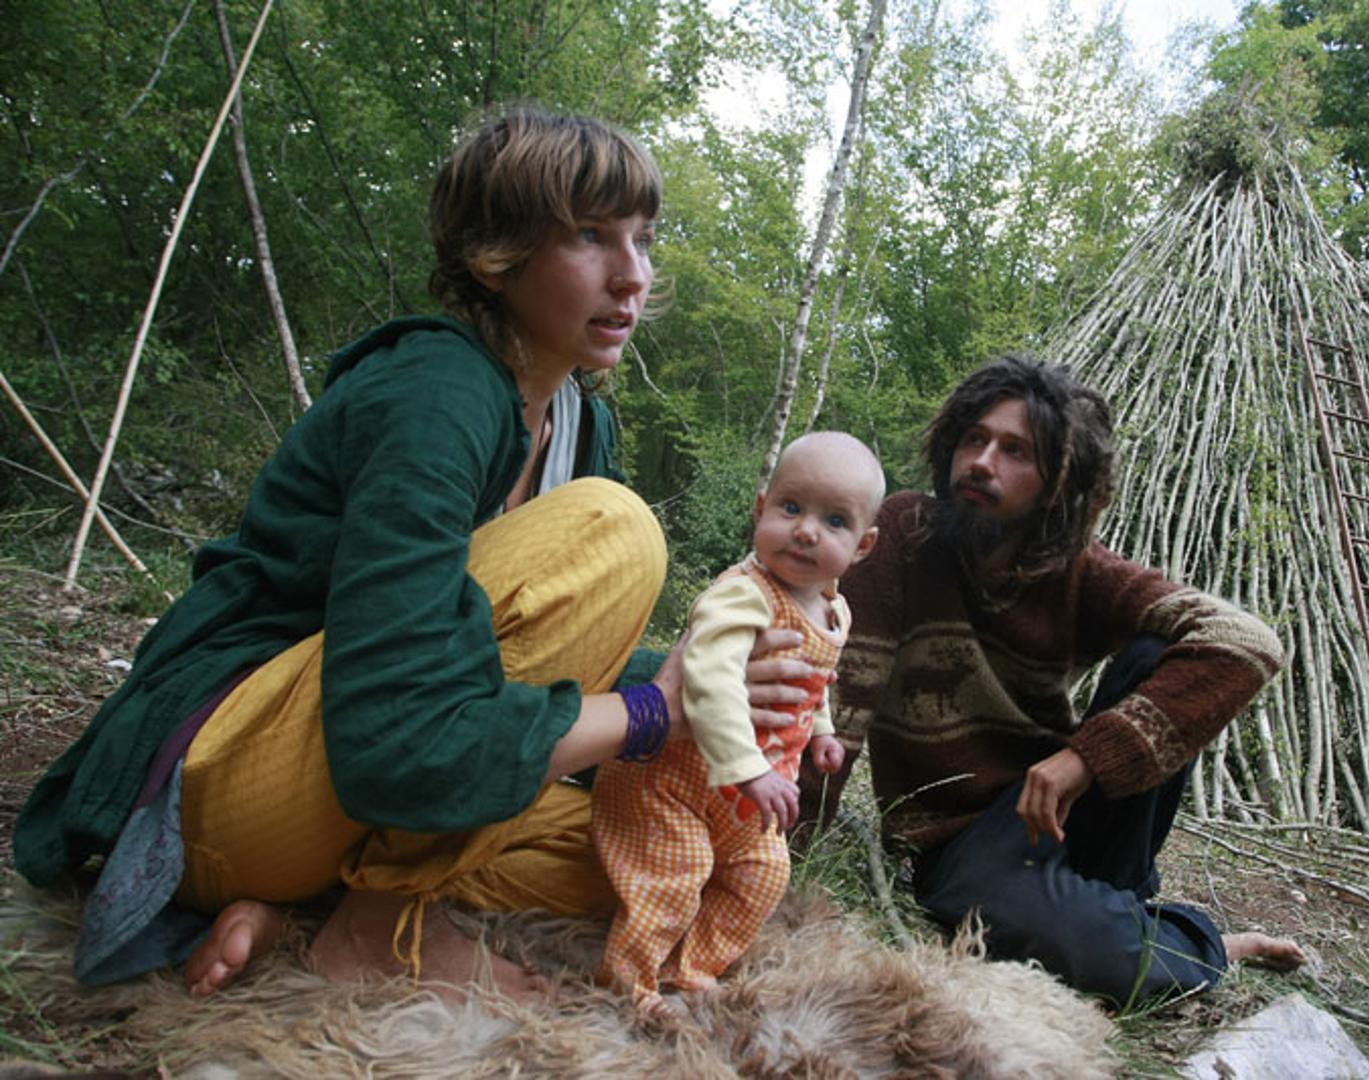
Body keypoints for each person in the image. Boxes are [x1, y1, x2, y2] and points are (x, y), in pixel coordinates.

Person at [11, 106, 806, 1001]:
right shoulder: (437, 390)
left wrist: (717, 687)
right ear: (497, 253)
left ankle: (294, 915)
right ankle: (376, 923)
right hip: (225, 777)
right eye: (590, 236)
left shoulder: (581, 426)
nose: (633, 275)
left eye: (643, 239)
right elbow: (400, 736)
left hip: (337, 797)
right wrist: (654, 711)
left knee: (648, 846)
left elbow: (530, 651)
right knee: (614, 532)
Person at [798, 355, 1304, 1008]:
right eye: (974, 439)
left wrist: (1082, 760)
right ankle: (1195, 941)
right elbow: (840, 700)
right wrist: (792, 849)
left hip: (1068, 812)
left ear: (1058, 482)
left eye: (1015, 451)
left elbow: (1249, 641)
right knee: (1036, 933)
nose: (982, 462)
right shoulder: (905, 533)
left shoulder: (1081, 572)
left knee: (1158, 652)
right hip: (961, 839)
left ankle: (1118, 904)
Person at [592, 431, 884, 1011]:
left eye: (834, 521)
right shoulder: (743, 596)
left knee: (763, 875)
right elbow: (709, 681)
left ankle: (693, 968)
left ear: (862, 546)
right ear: (761, 508)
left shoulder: (834, 610)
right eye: (791, 508)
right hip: (673, 780)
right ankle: (629, 980)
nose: (806, 531)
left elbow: (811, 680)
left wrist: (822, 732)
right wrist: (750, 770)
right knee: (677, 875)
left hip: (743, 799)